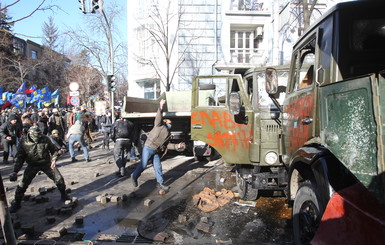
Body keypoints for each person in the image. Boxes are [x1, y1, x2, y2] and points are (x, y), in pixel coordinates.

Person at [8, 126, 69, 213]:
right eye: (36, 136)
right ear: (30, 134)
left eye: (39, 136)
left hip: (46, 164)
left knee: (59, 179)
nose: (38, 138)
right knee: (22, 184)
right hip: (32, 165)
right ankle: (17, 203)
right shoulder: (24, 142)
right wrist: (15, 171)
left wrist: (54, 159)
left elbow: (54, 150)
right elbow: (20, 158)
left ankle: (64, 194)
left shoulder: (45, 138)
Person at [130, 99, 185, 191]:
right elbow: (158, 115)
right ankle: (134, 176)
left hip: (156, 151)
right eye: (169, 122)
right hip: (148, 147)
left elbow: (167, 145)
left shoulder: (168, 134)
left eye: (170, 123)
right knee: (143, 165)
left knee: (158, 166)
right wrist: (161, 106)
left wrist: (177, 146)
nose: (170, 124)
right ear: (165, 122)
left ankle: (160, 183)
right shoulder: (159, 125)